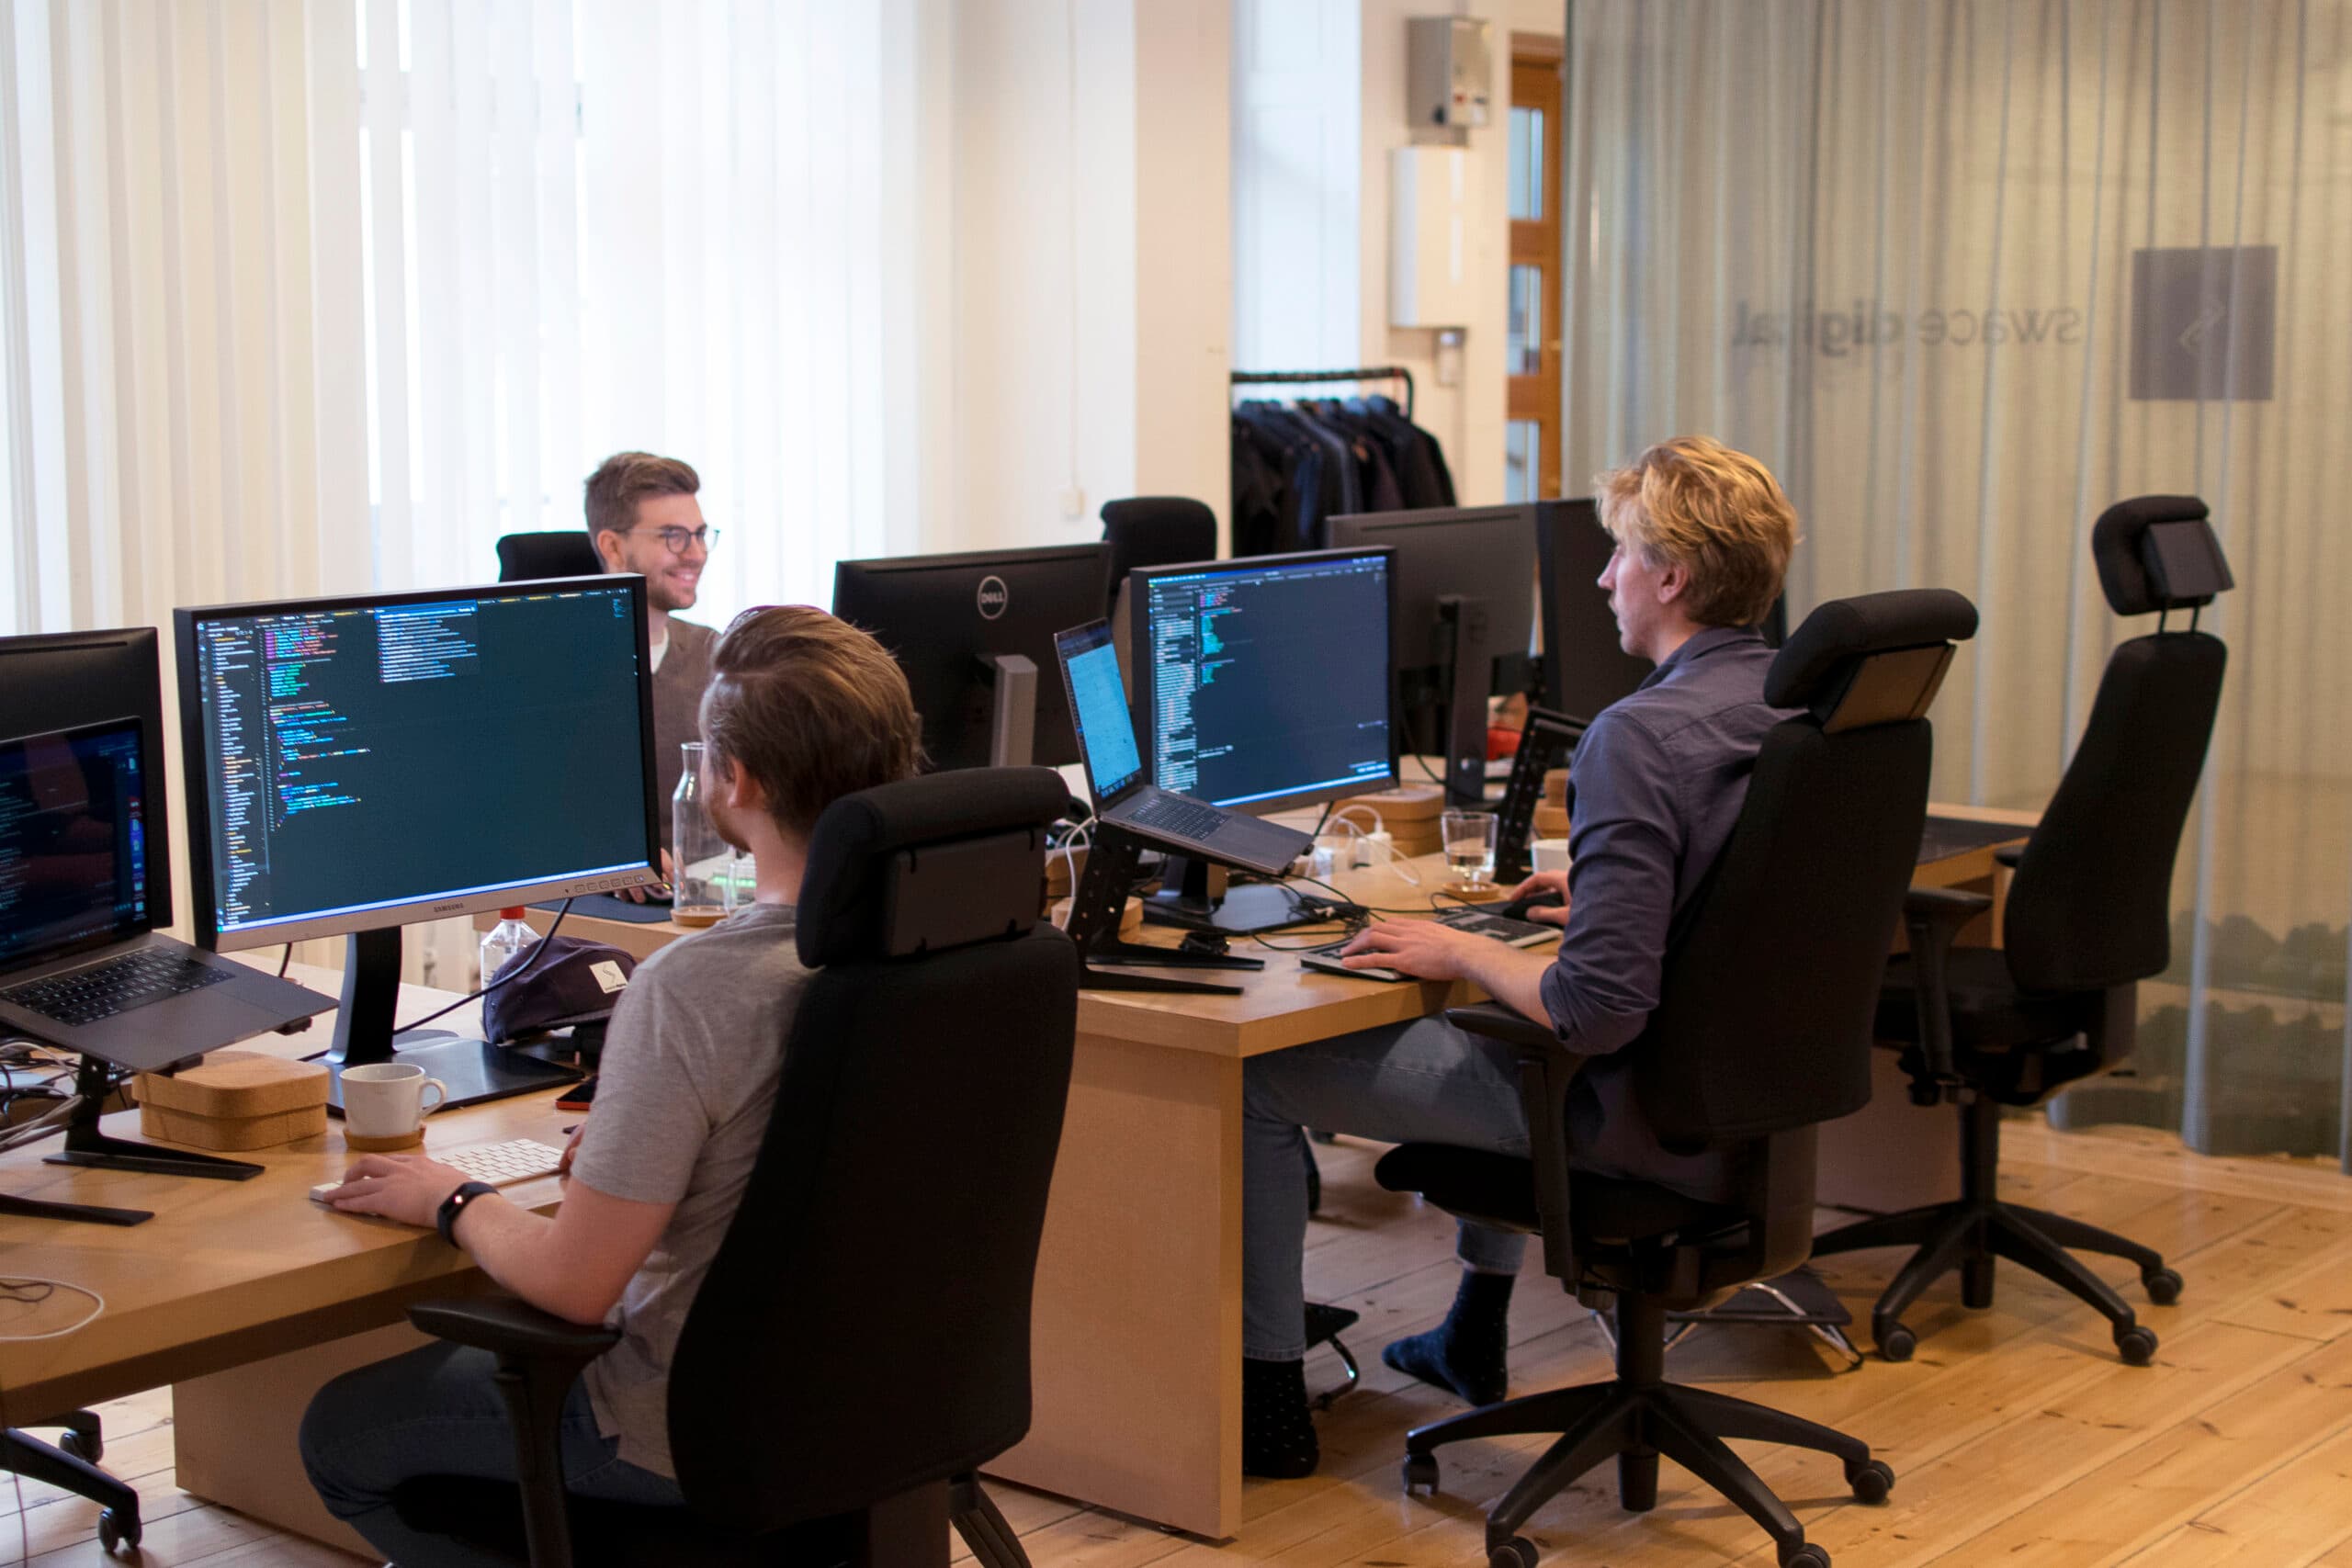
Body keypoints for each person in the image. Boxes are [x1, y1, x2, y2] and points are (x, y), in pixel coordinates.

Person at [300, 606, 924, 1564]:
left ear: (734, 780)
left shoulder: (698, 986)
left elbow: (576, 1286)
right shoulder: (957, 940)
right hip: (887, 1403)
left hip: (679, 1426)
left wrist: (452, 1196)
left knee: (338, 1432)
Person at [1239, 435, 1802, 1478]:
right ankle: (1471, 1330)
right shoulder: (1788, 707)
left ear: (1671, 577)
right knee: (1479, 999)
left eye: (1619, 555)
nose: (1600, 579)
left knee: (1257, 1081)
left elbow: (1593, 1011)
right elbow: (1739, 899)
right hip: (1736, 1102)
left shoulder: (1636, 737)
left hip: (1617, 1105)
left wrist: (1458, 943)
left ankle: (1266, 1394)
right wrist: (1606, 903)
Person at [582, 451, 718, 892]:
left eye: (699, 535)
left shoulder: (716, 653)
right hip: (604, 917)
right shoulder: (566, 675)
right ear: (614, 547)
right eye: (673, 537)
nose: (695, 554)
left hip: (712, 902)